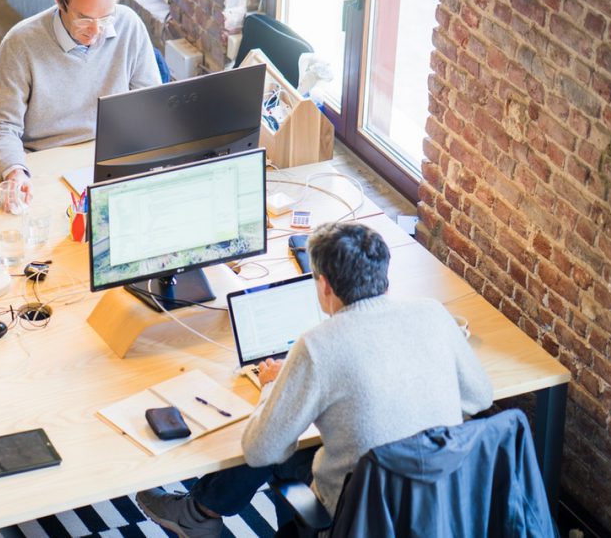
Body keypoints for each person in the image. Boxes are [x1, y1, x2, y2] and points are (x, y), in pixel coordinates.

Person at [136, 222, 494, 538]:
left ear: (324, 285)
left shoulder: (319, 345)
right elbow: (479, 397)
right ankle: (199, 512)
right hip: (440, 509)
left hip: (356, 519)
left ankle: (198, 514)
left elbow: (261, 450)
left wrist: (272, 386)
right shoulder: (432, 313)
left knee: (278, 439)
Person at [0, 0, 161, 204]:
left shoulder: (129, 24)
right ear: (59, 1)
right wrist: (15, 172)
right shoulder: (20, 43)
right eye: (84, 18)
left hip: (109, 158)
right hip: (44, 163)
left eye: (105, 18)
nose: (96, 31)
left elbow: (151, 107)